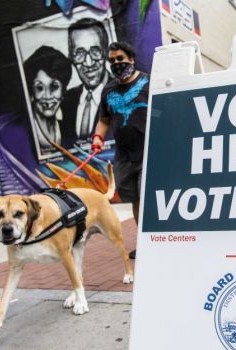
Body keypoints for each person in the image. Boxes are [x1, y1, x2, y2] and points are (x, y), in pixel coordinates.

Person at [91, 41, 149, 259]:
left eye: (120, 59)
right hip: (124, 155)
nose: (116, 63)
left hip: (149, 152)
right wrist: (98, 138)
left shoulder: (148, 82)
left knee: (146, 199)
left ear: (131, 59)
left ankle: (157, 242)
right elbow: (104, 119)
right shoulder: (109, 90)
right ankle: (145, 242)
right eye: (112, 60)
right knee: (135, 199)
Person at [61, 18, 109, 146]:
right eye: (80, 53)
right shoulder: (65, 102)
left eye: (95, 51)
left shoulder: (124, 93)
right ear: (71, 57)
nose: (88, 62)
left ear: (105, 52)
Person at [23, 46, 72, 154]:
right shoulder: (23, 131)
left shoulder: (69, 128)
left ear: (63, 90)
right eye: (40, 88)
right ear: (31, 91)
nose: (48, 96)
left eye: (54, 87)